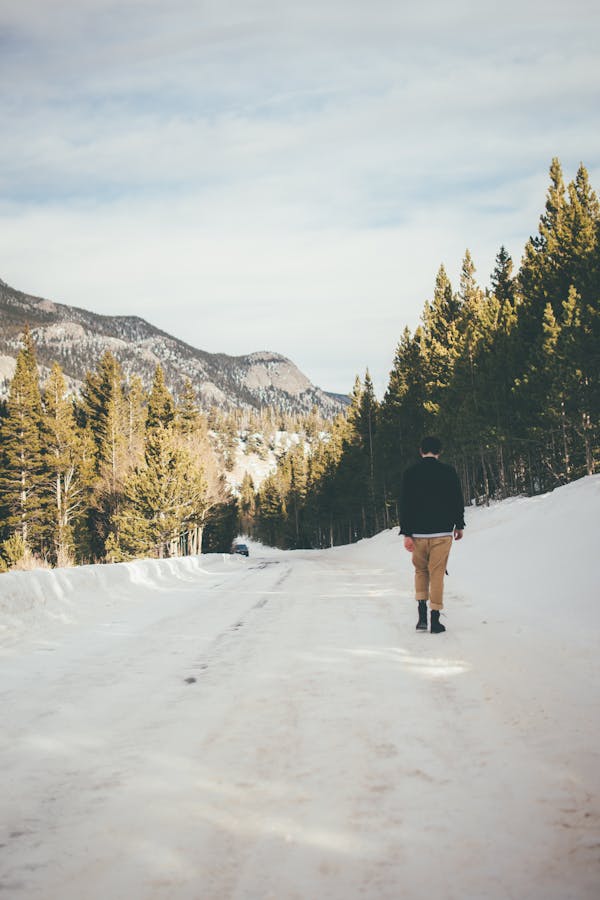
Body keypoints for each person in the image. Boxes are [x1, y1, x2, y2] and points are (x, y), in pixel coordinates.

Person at [399, 436, 465, 633]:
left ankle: (421, 618)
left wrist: (407, 533)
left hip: (418, 533)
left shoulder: (410, 473)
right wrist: (459, 525)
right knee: (437, 574)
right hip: (443, 532)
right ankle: (435, 620)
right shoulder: (448, 472)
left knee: (420, 571)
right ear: (439, 451)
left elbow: (404, 504)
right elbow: (457, 500)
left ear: (421, 451)